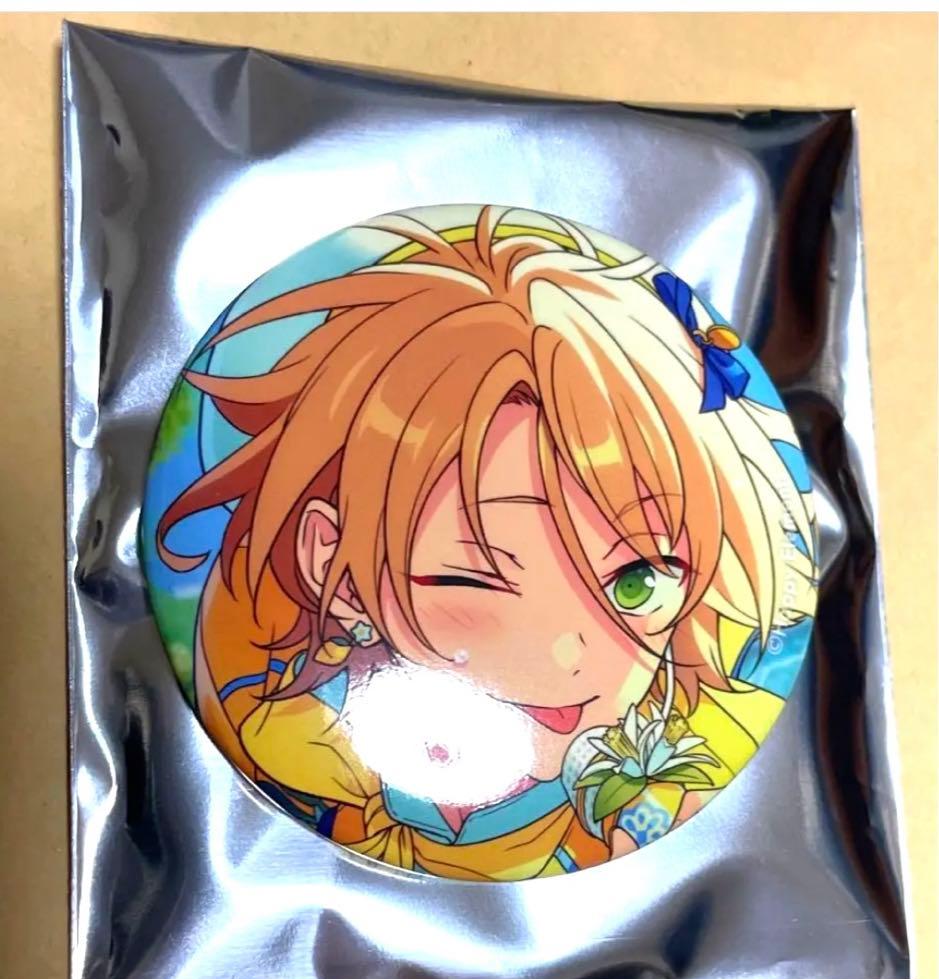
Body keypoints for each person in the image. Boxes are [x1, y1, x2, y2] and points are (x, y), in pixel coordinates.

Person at [156, 205, 816, 881]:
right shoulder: (282, 732)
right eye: (472, 580)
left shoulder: (680, 762)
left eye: (634, 582)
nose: (571, 655)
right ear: (334, 564)